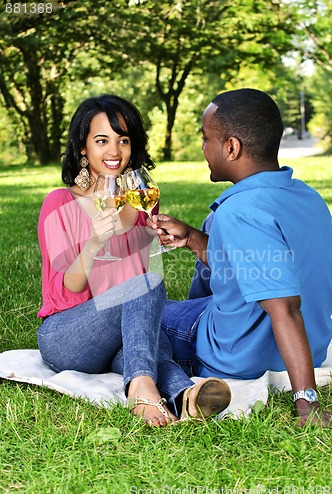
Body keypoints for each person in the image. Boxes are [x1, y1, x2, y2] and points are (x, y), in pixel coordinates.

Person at [36, 94, 232, 427]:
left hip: (120, 332)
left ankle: (185, 398)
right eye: (102, 140)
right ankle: (142, 387)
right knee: (146, 288)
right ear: (83, 148)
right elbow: (65, 290)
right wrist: (95, 242)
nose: (114, 151)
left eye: (122, 140)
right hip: (67, 335)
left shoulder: (142, 205)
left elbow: (141, 297)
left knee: (143, 328)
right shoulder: (59, 203)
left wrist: (157, 240)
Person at [151, 88, 332, 427]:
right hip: (312, 345)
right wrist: (191, 238)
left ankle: (178, 388)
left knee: (136, 317)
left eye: (206, 139)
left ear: (231, 147)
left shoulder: (240, 211)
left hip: (238, 355)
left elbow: (285, 306)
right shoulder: (306, 196)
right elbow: (258, 266)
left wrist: (307, 402)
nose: (203, 148)